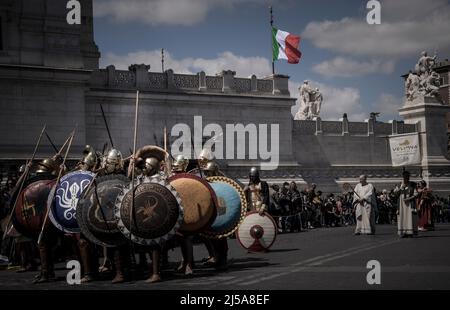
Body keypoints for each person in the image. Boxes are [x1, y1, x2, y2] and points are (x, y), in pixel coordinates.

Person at [394, 171, 418, 238]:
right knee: (402, 217)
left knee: (410, 217)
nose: (406, 178)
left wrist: (409, 198)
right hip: (401, 203)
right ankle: (403, 231)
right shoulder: (399, 184)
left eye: (407, 176)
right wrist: (401, 188)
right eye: (405, 176)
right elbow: (395, 194)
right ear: (403, 177)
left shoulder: (413, 184)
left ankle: (410, 232)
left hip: (410, 202)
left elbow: (416, 194)